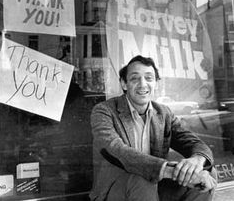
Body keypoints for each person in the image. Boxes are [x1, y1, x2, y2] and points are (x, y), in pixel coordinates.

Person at [90, 55, 217, 201]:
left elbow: (194, 143)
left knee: (208, 175)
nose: (143, 84)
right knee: (142, 178)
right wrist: (172, 171)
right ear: (124, 84)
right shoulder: (104, 111)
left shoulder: (163, 113)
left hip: (154, 188)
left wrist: (196, 162)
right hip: (114, 191)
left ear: (156, 83)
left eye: (149, 78)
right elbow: (117, 150)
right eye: (135, 78)